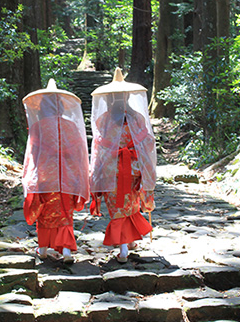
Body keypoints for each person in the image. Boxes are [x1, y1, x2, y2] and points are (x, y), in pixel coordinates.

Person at [89, 68, 156, 263]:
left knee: (118, 206)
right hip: (134, 168)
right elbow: (147, 142)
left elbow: (100, 145)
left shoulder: (104, 119)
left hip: (112, 170)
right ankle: (130, 241)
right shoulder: (138, 118)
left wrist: (97, 170)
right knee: (130, 204)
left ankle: (124, 248)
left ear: (110, 98)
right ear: (127, 97)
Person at [22, 79, 90, 264]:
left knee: (45, 212)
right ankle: (66, 250)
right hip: (68, 174)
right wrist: (79, 175)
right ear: (61, 106)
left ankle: (43, 249)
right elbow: (78, 153)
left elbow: (33, 153)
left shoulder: (37, 126)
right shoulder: (71, 126)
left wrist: (30, 176)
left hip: (45, 174)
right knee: (65, 213)